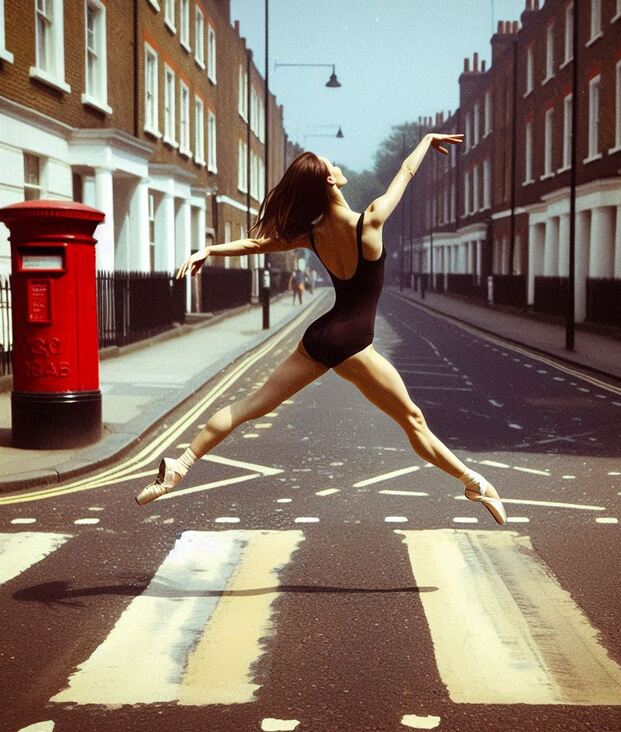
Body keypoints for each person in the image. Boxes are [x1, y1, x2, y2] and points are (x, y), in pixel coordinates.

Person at [135, 135, 507, 525]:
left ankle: (180, 465)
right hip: (353, 343)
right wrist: (426, 141)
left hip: (319, 336)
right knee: (413, 420)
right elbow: (407, 172)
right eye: (332, 165)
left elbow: (255, 245)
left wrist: (209, 251)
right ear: (329, 181)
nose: (338, 166)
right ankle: (473, 482)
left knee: (250, 406)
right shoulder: (372, 218)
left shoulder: (312, 234)